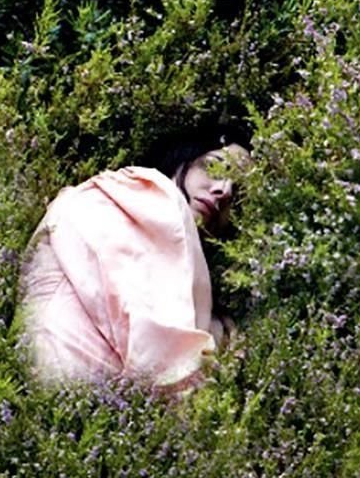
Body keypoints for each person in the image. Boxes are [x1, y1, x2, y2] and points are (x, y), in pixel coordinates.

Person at [18, 128, 251, 392]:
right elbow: (152, 343)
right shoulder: (135, 192)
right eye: (217, 168)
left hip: (57, 397)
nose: (223, 190)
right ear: (186, 157)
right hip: (65, 380)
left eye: (237, 194)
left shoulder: (192, 280)